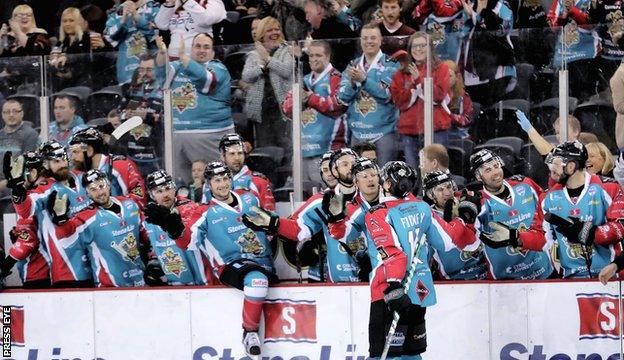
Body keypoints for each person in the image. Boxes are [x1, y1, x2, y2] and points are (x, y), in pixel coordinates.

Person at [363, 161, 475, 359]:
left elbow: (393, 252)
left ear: (387, 184)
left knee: (384, 354)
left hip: (390, 292)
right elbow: (447, 242)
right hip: (419, 289)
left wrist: (394, 285)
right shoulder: (422, 208)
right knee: (411, 353)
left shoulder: (377, 213)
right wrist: (463, 220)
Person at [188, 161, 277, 356]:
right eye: (217, 180)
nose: (222, 184)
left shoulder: (250, 199)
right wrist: (175, 228)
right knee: (256, 280)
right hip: (230, 265)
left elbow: (270, 224)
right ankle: (249, 332)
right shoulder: (204, 212)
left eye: (225, 178)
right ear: (209, 185)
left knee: (260, 278)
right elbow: (188, 239)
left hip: (263, 261)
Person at [242, 150, 368, 283]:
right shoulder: (320, 201)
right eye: (344, 164)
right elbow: (298, 229)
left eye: (353, 163)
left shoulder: (375, 197)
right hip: (337, 282)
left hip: (376, 279)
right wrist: (273, 223)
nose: (351, 167)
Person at [47, 169, 162, 287]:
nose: (99, 192)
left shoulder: (130, 205)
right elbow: (65, 239)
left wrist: (154, 259)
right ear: (87, 194)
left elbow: (150, 236)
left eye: (101, 186)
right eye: (93, 189)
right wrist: (61, 220)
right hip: (108, 288)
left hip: (140, 282)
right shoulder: (86, 217)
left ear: (108, 184)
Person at [9, 141, 94, 288]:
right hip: (67, 271)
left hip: (95, 265)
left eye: (63, 158)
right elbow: (25, 211)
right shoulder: (46, 188)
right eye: (56, 161)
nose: (62, 163)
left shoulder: (83, 177)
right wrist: (18, 190)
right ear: (46, 165)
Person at [156, 33, 234, 183]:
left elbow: (205, 79)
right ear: (191, 49)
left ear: (212, 52)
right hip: (179, 137)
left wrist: (183, 57)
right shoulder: (178, 67)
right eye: (197, 46)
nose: (201, 50)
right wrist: (162, 53)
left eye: (206, 47)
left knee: (219, 181)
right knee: (180, 185)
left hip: (212, 136)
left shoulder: (218, 68)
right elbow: (161, 73)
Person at [542, 141, 624, 278]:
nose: (552, 169)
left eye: (556, 164)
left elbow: (621, 226)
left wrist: (590, 233)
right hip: (570, 280)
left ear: (571, 167)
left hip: (610, 276)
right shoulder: (548, 198)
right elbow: (543, 238)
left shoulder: (609, 187)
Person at [469, 149, 554, 279]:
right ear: (478, 177)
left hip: (544, 271)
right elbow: (468, 241)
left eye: (496, 166)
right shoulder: (478, 203)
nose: (496, 172)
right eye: (488, 170)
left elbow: (548, 208)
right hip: (505, 282)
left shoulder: (525, 185)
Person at [282, 40, 347, 184]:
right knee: (303, 197)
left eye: (318, 55)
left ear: (328, 57)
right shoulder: (303, 80)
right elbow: (286, 109)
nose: (313, 59)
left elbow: (336, 106)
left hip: (327, 150)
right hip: (302, 149)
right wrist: (300, 100)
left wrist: (310, 98)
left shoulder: (336, 78)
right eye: (311, 56)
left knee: (328, 197)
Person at [338, 23, 400, 167]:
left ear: (380, 40)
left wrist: (364, 80)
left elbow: (387, 94)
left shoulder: (391, 65)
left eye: (373, 38)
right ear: (360, 41)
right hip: (358, 133)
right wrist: (352, 84)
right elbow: (342, 97)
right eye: (365, 38)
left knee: (385, 177)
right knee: (359, 177)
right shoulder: (353, 64)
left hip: (384, 133)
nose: (369, 41)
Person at [390, 32, 452, 169]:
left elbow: (438, 96)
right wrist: (413, 85)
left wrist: (419, 80)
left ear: (430, 48)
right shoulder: (400, 73)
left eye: (422, 45)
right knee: (412, 171)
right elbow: (399, 102)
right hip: (409, 130)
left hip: (436, 129)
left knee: (437, 170)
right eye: (414, 46)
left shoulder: (441, 68)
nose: (418, 49)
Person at [142, 170, 207, 285]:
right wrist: (154, 264)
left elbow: (191, 237)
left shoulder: (190, 208)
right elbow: (155, 246)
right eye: (159, 191)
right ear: (152, 195)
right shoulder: (149, 218)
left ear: (174, 189)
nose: (165, 195)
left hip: (201, 281)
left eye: (167, 189)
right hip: (174, 283)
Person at [241, 16, 293, 161]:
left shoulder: (286, 50)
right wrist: (262, 67)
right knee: (264, 145)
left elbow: (286, 70)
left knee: (286, 144)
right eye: (270, 30)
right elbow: (246, 76)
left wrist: (268, 59)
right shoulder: (253, 54)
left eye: (277, 29)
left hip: (282, 106)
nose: (275, 33)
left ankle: (288, 175)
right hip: (261, 109)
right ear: (262, 33)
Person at [422, 170, 487, 280]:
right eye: (440, 189)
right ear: (430, 194)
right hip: (453, 281)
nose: (447, 193)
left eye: (448, 187)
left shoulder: (469, 201)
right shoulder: (429, 218)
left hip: (484, 274)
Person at [0, 152, 50, 288]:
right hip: (48, 271)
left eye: (20, 171)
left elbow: (26, 242)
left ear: (33, 172)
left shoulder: (36, 195)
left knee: (11, 310)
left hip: (37, 274)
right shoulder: (43, 190)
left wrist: (3, 268)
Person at [68, 127, 148, 208]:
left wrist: (113, 206)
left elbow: (139, 199)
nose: (73, 157)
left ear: (89, 151)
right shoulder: (79, 175)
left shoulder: (120, 165)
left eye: (76, 152)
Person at [460, 0, 516, 106]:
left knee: (493, 111)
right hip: (472, 71)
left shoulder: (502, 6)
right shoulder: (469, 5)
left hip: (498, 70)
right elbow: (461, 32)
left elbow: (501, 30)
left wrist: (476, 15)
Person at [117, 55, 165, 176]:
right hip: (133, 151)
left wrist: (145, 116)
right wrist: (127, 114)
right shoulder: (134, 90)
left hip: (155, 152)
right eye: (141, 70)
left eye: (149, 70)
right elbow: (121, 113)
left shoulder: (165, 90)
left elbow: (166, 118)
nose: (144, 73)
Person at [202, 133, 276, 211]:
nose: (237, 158)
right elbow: (204, 215)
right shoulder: (209, 185)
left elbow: (271, 217)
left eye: (240, 153)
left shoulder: (258, 182)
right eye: (232, 154)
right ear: (223, 156)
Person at [104, 0, 160, 85]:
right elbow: (109, 36)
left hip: (150, 68)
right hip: (125, 70)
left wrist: (137, 16)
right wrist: (122, 21)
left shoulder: (154, 7)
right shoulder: (116, 11)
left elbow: (157, 34)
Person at [154, 0, 226, 59]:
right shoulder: (177, 3)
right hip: (174, 55)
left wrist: (187, 1)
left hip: (200, 56)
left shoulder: (214, 2)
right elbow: (161, 25)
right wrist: (169, 4)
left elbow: (206, 20)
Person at [0, 99, 40, 193]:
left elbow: (26, 169)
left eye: (15, 111)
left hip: (18, 186)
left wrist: (3, 184)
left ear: (22, 114)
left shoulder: (30, 134)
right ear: (2, 115)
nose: (11, 115)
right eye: (7, 112)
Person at [517, 111, 582, 156]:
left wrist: (530, 129)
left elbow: (549, 153)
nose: (559, 135)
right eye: (557, 132)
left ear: (575, 132)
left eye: (563, 131)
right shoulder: (559, 148)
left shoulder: (579, 150)